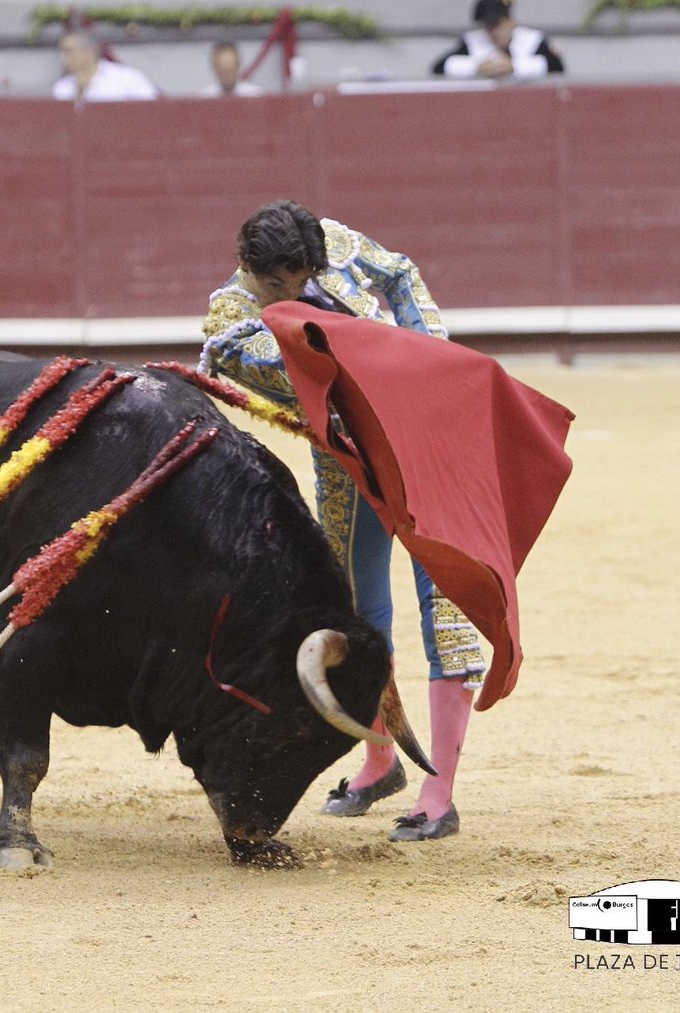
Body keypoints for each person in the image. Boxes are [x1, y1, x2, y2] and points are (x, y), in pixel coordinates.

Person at [201, 200, 487, 842]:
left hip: (426, 450)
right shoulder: (230, 322)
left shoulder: (330, 242)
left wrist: (432, 353)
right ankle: (381, 761)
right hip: (351, 466)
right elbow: (311, 373)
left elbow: (400, 273)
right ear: (248, 266)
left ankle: (439, 792)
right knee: (358, 614)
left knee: (445, 609)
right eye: (280, 284)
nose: (294, 292)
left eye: (304, 278)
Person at [432, 0, 564, 80]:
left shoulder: (532, 40)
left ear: (510, 22)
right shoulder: (472, 41)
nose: (493, 32)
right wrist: (477, 67)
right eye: (488, 26)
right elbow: (440, 67)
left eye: (497, 25)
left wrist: (514, 67)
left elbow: (557, 67)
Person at [52, 29, 158, 103]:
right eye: (61, 53)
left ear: (89, 52)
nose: (63, 58)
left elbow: (152, 109)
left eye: (68, 51)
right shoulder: (62, 87)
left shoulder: (126, 78)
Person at [197, 40, 262, 97]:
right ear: (214, 67)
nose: (227, 76)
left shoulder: (256, 96)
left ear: (238, 65)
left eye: (230, 70)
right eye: (223, 71)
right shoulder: (202, 98)